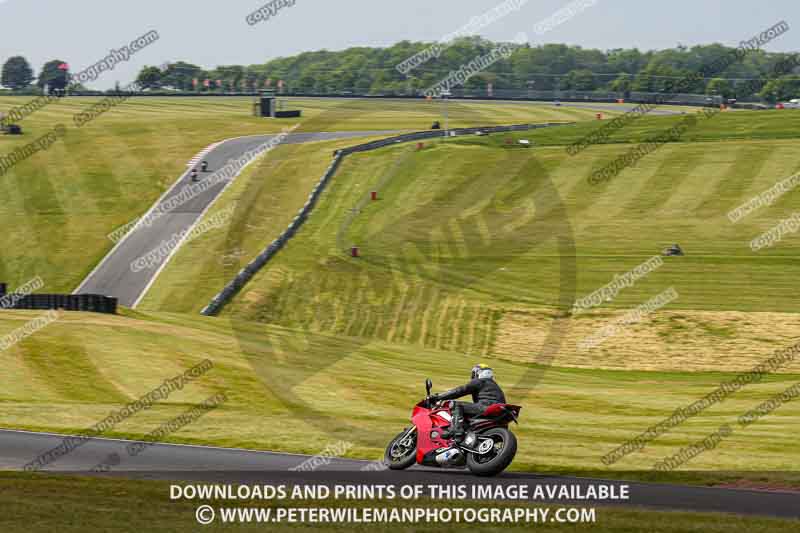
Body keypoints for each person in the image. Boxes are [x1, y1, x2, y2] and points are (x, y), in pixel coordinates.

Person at [430, 364, 506, 442]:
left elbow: (460, 391)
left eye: (474, 374)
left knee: (457, 405)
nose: (473, 376)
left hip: (486, 407)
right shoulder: (496, 386)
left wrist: (438, 397)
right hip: (499, 413)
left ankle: (456, 430)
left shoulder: (480, 381)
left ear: (479, 373)